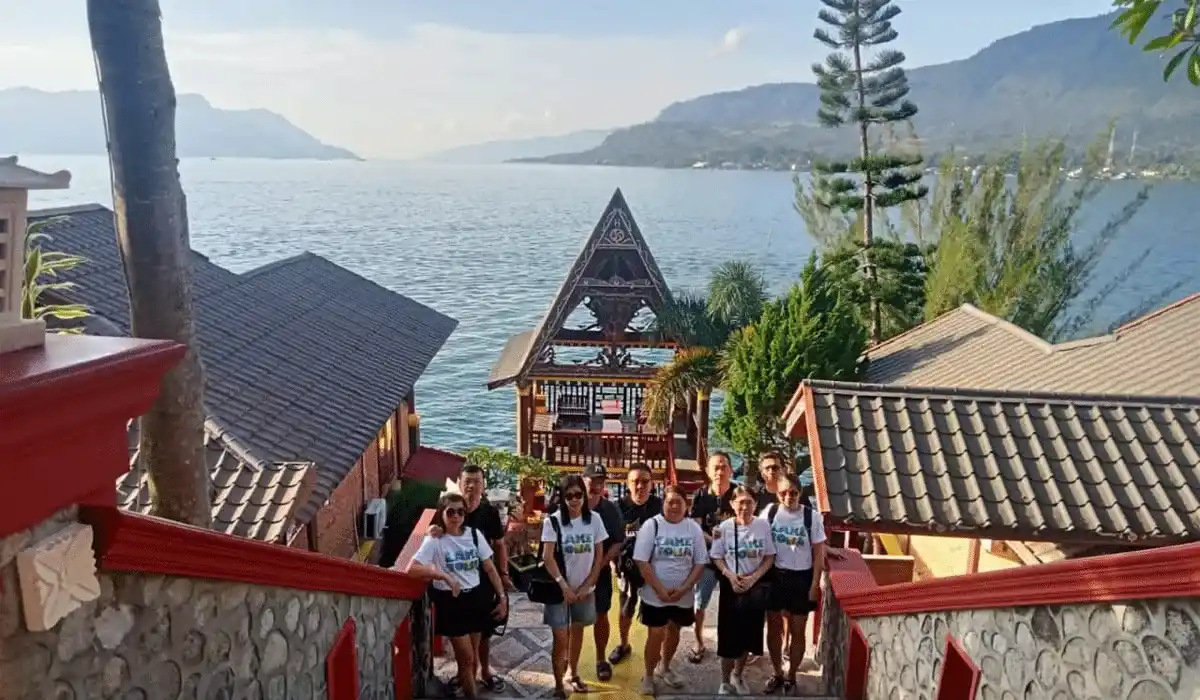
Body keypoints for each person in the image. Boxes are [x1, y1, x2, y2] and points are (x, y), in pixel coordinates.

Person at [408, 494, 509, 700]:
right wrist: (443, 575)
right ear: (442, 514)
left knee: (472, 660)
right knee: (467, 659)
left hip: (476, 599)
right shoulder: (435, 540)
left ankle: (467, 689)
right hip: (452, 603)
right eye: (450, 512)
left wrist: (502, 597)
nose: (456, 516)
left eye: (460, 511)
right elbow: (412, 569)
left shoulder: (474, 535)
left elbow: (489, 568)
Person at [429, 464, 511, 694]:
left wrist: (503, 575)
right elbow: (434, 533)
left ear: (484, 486)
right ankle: (467, 675)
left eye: (477, 481)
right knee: (464, 642)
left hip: (483, 583)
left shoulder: (489, 513)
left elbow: (500, 545)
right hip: (455, 586)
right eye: (468, 481)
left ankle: (484, 671)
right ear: (459, 482)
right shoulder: (448, 509)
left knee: (484, 632)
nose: (472, 486)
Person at [633, 485, 709, 696]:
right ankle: (648, 674)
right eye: (670, 502)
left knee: (674, 631)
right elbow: (642, 561)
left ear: (687, 505)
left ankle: (665, 666)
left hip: (682, 595)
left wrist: (684, 588)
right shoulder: (652, 525)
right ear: (663, 504)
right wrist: (660, 589)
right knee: (656, 634)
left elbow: (700, 562)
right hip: (655, 595)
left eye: (679, 502)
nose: (674, 506)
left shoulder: (692, 528)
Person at [540, 474, 609, 697]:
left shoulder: (594, 520)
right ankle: (559, 684)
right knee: (561, 638)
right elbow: (547, 557)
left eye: (578, 494)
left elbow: (599, 554)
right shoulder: (552, 521)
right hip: (559, 590)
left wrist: (589, 583)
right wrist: (564, 586)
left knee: (577, 630)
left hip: (584, 589)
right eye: (568, 496)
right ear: (562, 497)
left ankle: (573, 672)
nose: (574, 500)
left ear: (584, 495)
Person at [762, 473, 827, 694]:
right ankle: (777, 672)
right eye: (783, 492)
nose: (788, 496)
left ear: (800, 493)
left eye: (793, 492)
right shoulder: (770, 513)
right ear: (777, 493)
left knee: (798, 630)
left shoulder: (812, 517)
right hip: (775, 576)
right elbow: (753, 536)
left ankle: (791, 675)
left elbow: (819, 554)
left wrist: (814, 585)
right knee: (774, 628)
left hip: (802, 578)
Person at [709, 486, 776, 695]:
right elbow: (717, 556)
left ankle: (738, 674)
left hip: (754, 588)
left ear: (755, 504)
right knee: (728, 636)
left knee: (748, 634)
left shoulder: (763, 526)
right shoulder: (724, 528)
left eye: (749, 502)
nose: (744, 506)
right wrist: (730, 576)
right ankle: (724, 680)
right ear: (732, 504)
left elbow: (769, 556)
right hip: (732, 587)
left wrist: (754, 578)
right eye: (740, 502)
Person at [608, 463, 663, 667]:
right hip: (627, 570)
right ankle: (623, 644)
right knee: (625, 611)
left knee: (654, 613)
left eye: (645, 482)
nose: (640, 486)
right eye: (635, 482)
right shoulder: (618, 508)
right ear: (628, 483)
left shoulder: (660, 507)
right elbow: (611, 539)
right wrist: (613, 565)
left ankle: (654, 650)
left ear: (652, 484)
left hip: (654, 570)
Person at [686, 451, 736, 663]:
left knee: (733, 603)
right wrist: (713, 539)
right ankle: (698, 640)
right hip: (707, 559)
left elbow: (746, 521)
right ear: (708, 471)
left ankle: (731, 641)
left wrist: (725, 540)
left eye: (724, 467)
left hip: (732, 559)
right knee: (700, 602)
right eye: (715, 467)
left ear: (731, 470)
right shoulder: (701, 495)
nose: (720, 471)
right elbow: (696, 527)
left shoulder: (738, 492)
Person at [582, 464, 625, 682]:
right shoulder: (569, 506)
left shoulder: (610, 509)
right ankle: (569, 661)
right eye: (592, 481)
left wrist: (600, 566)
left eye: (601, 481)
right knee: (572, 619)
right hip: (573, 573)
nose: (597, 486)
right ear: (583, 480)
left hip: (600, 573)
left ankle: (600, 658)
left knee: (601, 614)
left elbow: (618, 541)